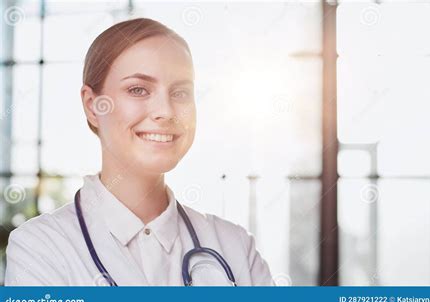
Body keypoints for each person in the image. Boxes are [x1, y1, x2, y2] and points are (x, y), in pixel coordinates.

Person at [4, 18, 274, 286]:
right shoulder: (39, 248)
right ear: (92, 105)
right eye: (138, 90)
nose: (166, 112)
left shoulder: (236, 248)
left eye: (180, 93)